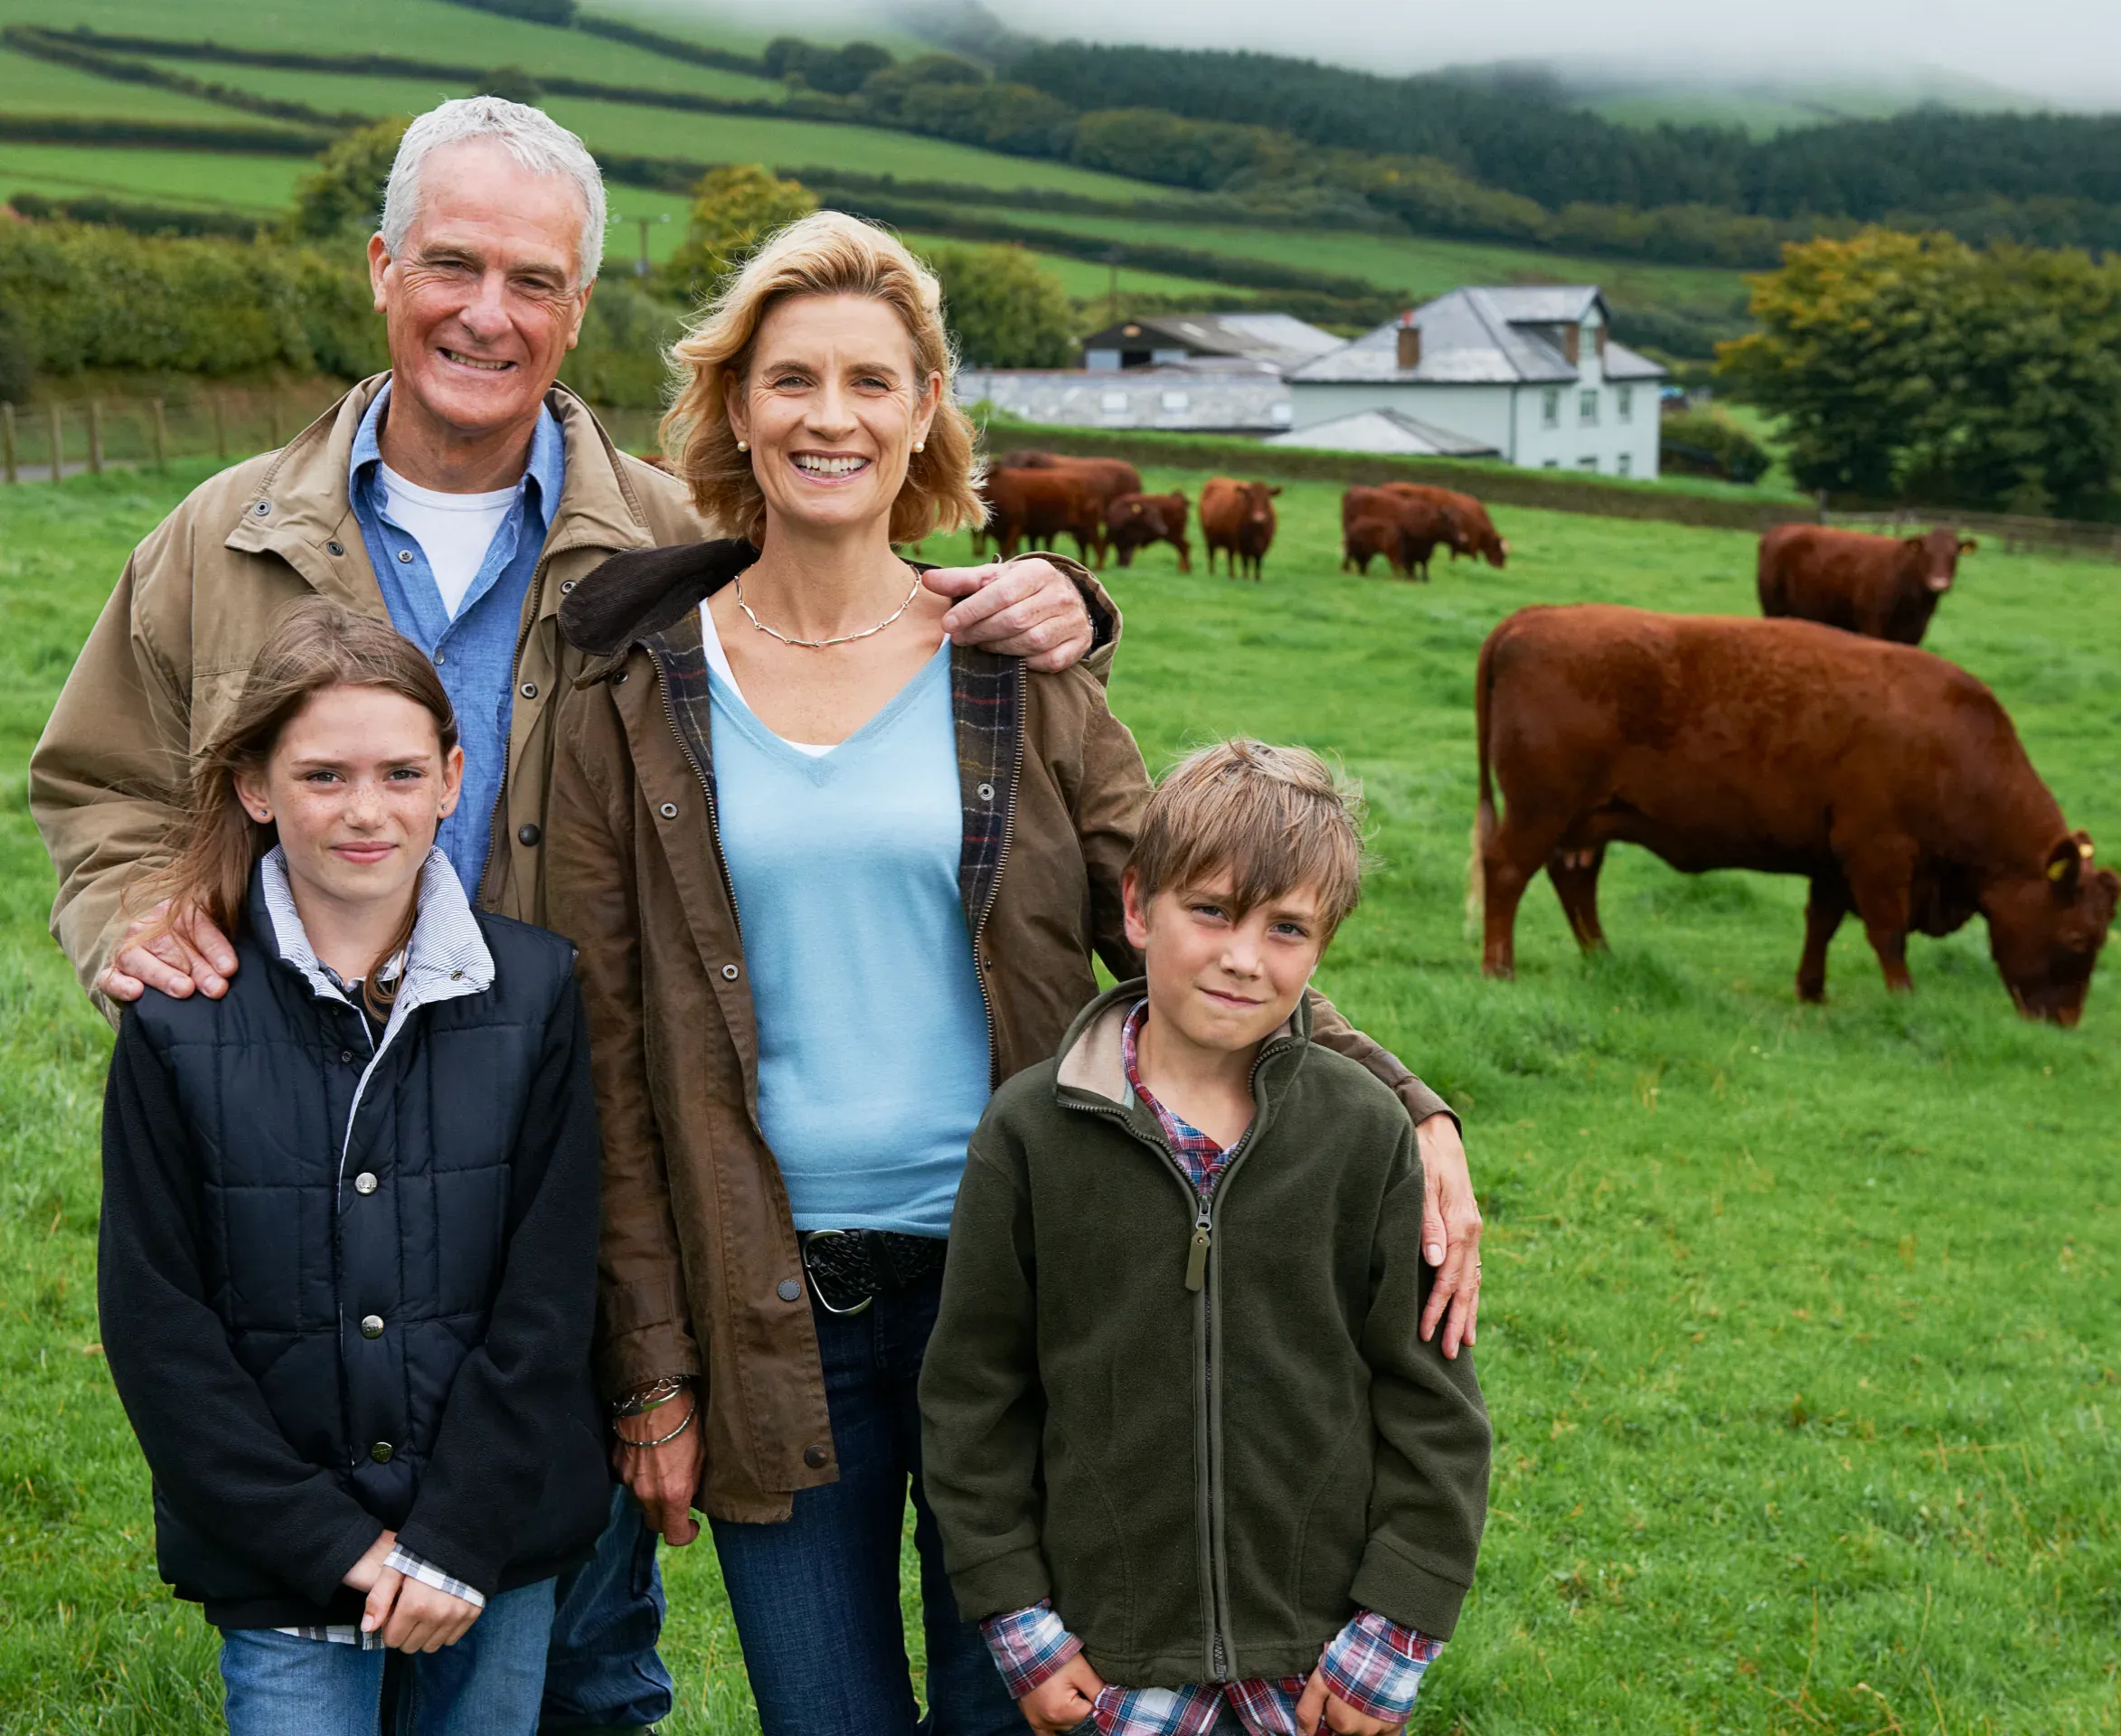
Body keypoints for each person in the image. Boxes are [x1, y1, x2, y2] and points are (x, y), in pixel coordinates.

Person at [28, 98, 1110, 1732]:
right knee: (317, 1597)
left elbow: (857, 586)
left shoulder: (672, 539)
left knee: (586, 1630)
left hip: (577, 1160)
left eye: (534, 278)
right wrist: (133, 916)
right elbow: (100, 777)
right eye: (450, 263)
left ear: (580, 308)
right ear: (384, 268)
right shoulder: (223, 539)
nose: (487, 310)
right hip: (307, 1156)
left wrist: (1071, 602)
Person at [544, 210, 1480, 1736]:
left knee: (1029, 1716)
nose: (827, 416)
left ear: (925, 414)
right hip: (775, 1307)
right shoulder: (642, 688)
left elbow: (1183, 924)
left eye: (870, 381)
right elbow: (609, 1048)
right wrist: (649, 1366)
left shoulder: (1011, 664)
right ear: (734, 408)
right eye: (790, 380)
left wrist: (1403, 1098)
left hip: (1041, 1290)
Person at [96, 599, 610, 1735]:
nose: (365, 811)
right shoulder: (178, 1017)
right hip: (282, 1562)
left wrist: (455, 1537)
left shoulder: (534, 993)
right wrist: (335, 1543)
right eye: (323, 776)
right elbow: (157, 1322)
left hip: (490, 1546)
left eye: (398, 773)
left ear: (452, 777)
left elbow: (550, 1295)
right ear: (255, 787)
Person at [919, 741, 1492, 1736]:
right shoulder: (1030, 1135)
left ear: (1321, 951)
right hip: (1109, 1663)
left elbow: (1434, 1410)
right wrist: (1022, 1625)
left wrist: (1391, 1635)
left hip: (1319, 1669)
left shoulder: (1363, 1136)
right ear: (1138, 907)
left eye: (1286, 928)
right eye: (1212, 911)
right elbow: (974, 1401)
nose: (1242, 957)